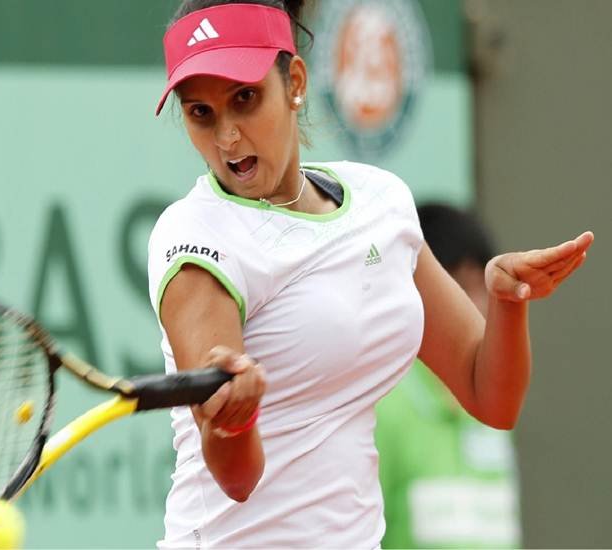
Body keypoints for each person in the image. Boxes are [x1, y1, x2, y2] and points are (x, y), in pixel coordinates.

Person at [146, 1, 593, 547]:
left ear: (295, 82)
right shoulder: (195, 237)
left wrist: (507, 301)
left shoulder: (380, 203)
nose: (227, 137)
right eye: (201, 113)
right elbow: (237, 480)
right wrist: (232, 418)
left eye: (245, 98)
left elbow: (491, 397)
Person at [376, 204, 521, 548]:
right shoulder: (384, 403)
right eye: (458, 287)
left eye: (482, 287)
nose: (475, 304)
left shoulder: (495, 408)